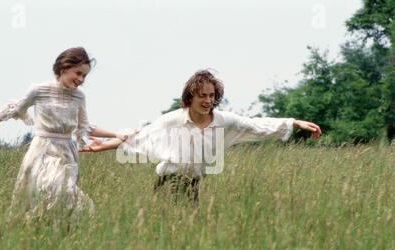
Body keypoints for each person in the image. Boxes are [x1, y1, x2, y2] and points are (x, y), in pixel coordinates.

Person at [82, 69, 322, 203]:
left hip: (193, 184)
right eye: (202, 96)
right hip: (168, 182)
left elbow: (256, 126)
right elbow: (139, 136)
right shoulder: (173, 119)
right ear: (190, 97)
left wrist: (294, 122)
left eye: (211, 96)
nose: (207, 101)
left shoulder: (223, 121)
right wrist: (101, 146)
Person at [0, 47, 126, 219]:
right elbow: (15, 109)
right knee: (42, 192)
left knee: (64, 195)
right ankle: (31, 224)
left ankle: (53, 229)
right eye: (78, 73)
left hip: (66, 153)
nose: (81, 79)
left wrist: (116, 135)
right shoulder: (38, 90)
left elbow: (86, 127)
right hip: (41, 151)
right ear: (64, 68)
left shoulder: (79, 97)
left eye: (84, 76)